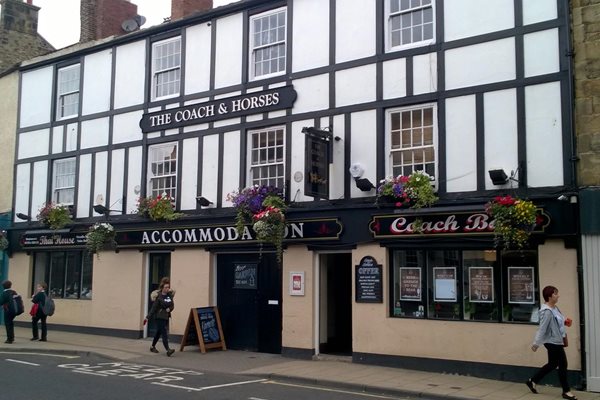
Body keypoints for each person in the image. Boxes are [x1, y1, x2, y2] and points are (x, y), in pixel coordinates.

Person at [526, 285, 577, 400]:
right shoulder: (547, 311)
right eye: (555, 293)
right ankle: (566, 391)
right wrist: (536, 344)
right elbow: (542, 329)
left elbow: (558, 320)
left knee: (553, 364)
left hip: (556, 340)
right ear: (549, 296)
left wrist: (565, 321)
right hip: (552, 342)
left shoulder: (555, 308)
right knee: (563, 364)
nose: (558, 295)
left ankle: (532, 381)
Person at [145, 281, 175, 356]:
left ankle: (152, 346)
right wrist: (147, 317)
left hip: (166, 317)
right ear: (162, 288)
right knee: (164, 332)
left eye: (168, 287)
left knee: (158, 332)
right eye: (166, 287)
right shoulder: (159, 297)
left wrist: (170, 309)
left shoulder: (169, 296)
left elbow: (172, 305)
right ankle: (168, 350)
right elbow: (153, 308)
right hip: (159, 317)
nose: (167, 289)